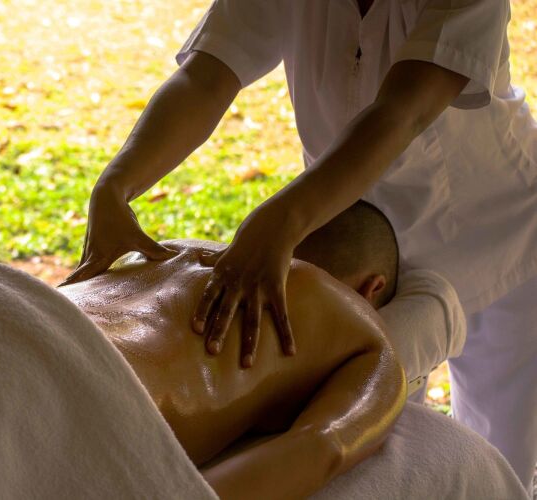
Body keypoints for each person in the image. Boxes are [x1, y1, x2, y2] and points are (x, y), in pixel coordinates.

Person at [61, 0, 537, 490]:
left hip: (495, 234)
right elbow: (206, 78)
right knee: (382, 447)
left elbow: (404, 110)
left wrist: (282, 222)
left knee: (504, 461)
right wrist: (116, 183)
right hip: (345, 232)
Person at [58, 201, 406, 498]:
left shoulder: (167, 248)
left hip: (32, 314)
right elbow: (321, 447)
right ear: (372, 288)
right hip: (81, 400)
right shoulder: (364, 331)